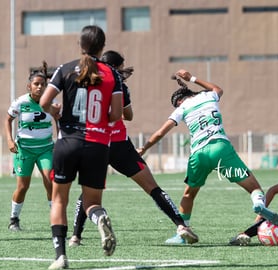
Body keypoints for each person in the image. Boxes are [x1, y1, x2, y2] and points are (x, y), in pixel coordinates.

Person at [68, 50, 198, 247]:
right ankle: (181, 225)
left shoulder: (85, 84)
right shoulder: (118, 84)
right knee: (152, 188)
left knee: (89, 193)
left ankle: (75, 237)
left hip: (95, 143)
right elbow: (128, 115)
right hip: (120, 144)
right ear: (117, 67)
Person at [138, 69, 278, 244]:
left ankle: (183, 232)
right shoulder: (209, 97)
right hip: (221, 148)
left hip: (199, 153)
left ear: (179, 101)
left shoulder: (181, 108)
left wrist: (144, 148)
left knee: (189, 194)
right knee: (254, 188)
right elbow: (218, 88)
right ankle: (258, 203)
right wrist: (192, 78)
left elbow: (161, 132)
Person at [39, 25, 123, 270]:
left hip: (68, 142)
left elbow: (45, 101)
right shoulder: (112, 73)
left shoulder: (64, 69)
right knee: (91, 202)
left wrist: (55, 111)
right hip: (97, 145)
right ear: (102, 46)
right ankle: (98, 219)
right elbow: (116, 114)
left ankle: (61, 256)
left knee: (59, 201)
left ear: (80, 44)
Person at [4, 61, 55, 232]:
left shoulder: (50, 102)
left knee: (50, 181)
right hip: (24, 149)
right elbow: (8, 119)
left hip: (46, 148)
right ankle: (14, 219)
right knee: (23, 186)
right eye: (36, 84)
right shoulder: (20, 102)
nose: (40, 87)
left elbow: (58, 118)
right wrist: (10, 141)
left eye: (43, 84)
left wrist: (62, 139)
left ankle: (55, 219)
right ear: (29, 86)